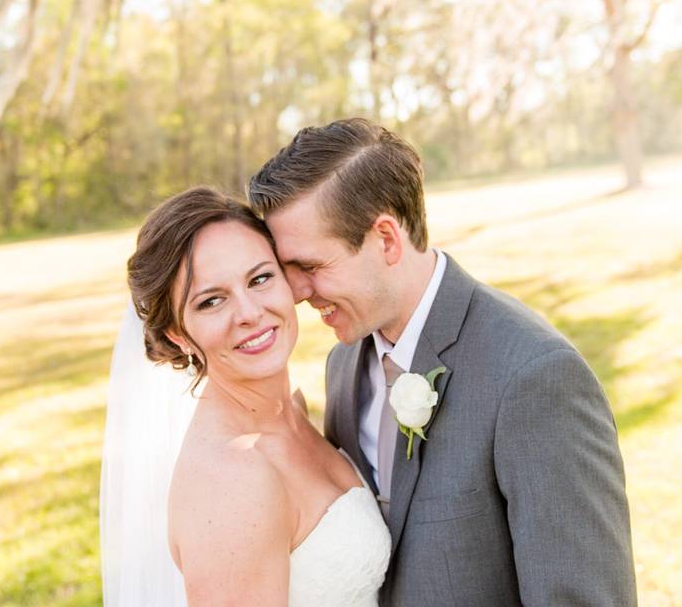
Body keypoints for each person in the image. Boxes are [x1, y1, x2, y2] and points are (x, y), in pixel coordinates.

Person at [248, 117, 638, 606]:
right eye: (287, 270)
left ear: (386, 239)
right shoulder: (343, 364)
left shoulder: (535, 377)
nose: (298, 292)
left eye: (311, 266)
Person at [100, 187, 390, 607]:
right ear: (179, 335)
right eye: (212, 301)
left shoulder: (291, 408)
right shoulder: (232, 481)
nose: (250, 313)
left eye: (260, 278)